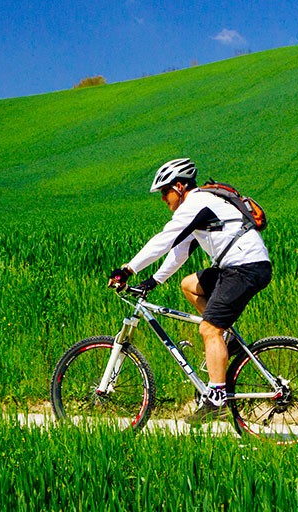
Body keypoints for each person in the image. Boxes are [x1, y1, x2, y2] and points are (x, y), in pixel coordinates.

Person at [106, 157, 272, 425]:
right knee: (189, 285)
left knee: (208, 329)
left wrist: (128, 269)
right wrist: (153, 281)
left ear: (180, 187)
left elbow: (165, 239)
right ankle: (224, 338)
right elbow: (179, 251)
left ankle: (217, 397)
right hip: (241, 265)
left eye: (165, 192)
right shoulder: (200, 208)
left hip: (244, 267)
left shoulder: (196, 203)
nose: (163, 199)